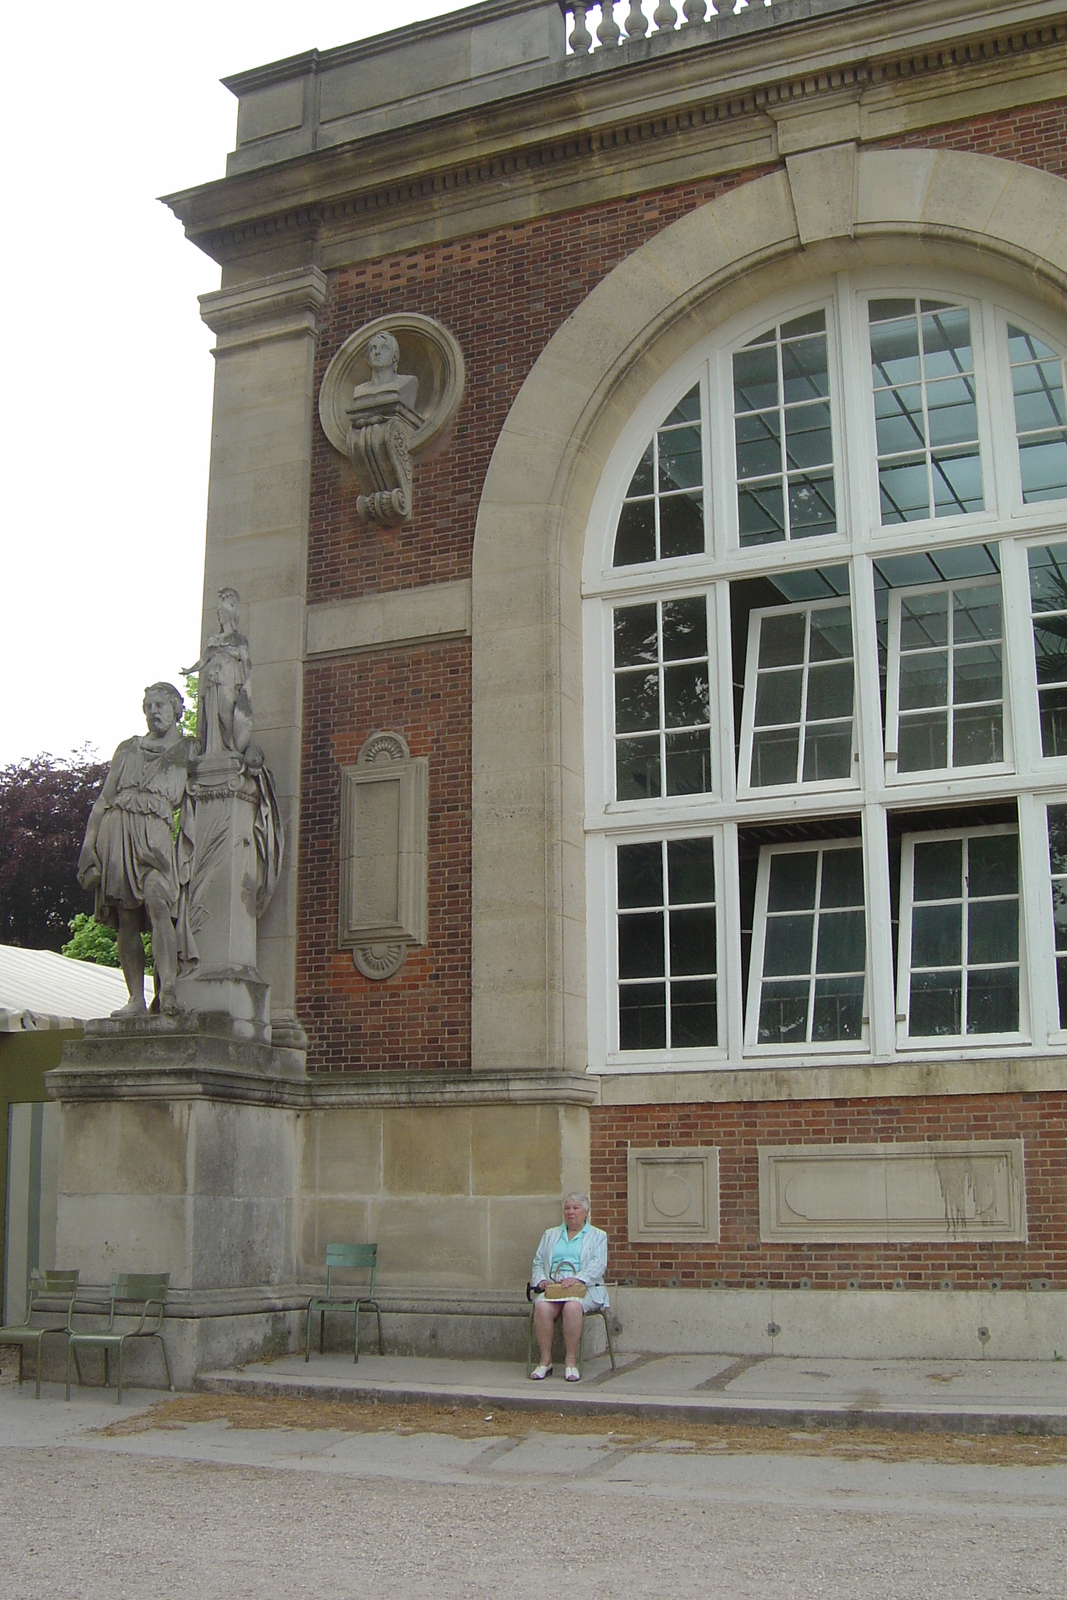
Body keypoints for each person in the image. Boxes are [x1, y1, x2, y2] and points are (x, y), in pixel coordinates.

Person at [77, 682, 196, 1018]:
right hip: (117, 833)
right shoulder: (128, 749)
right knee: (127, 918)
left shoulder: (189, 749)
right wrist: (89, 847)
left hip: (156, 836)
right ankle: (135, 999)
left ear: (176, 708)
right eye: (148, 706)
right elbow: (103, 799)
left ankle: (169, 991)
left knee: (159, 903)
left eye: (161, 705)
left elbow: (222, 767)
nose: (153, 711)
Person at [529, 1193, 609, 1382]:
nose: (570, 1212)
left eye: (575, 1208)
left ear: (586, 1212)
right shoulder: (550, 1234)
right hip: (554, 1287)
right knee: (541, 1307)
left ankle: (571, 1361)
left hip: (584, 1288)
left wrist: (577, 1279)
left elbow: (599, 1265)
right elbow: (538, 1262)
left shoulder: (598, 1236)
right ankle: (545, 1361)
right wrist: (541, 1280)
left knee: (573, 1306)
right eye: (567, 1208)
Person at [183, 587, 253, 758]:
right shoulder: (214, 640)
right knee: (212, 714)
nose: (219, 616)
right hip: (214, 681)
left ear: (229, 614)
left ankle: (231, 746)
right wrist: (191, 670)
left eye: (222, 613)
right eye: (218, 613)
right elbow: (203, 660)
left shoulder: (238, 639)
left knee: (225, 711)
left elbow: (246, 662)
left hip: (229, 679)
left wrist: (248, 684)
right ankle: (218, 748)